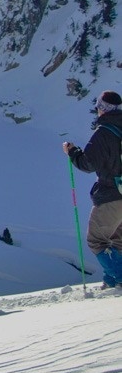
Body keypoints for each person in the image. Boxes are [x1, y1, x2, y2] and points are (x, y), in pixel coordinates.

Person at [62, 90, 122, 288]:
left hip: (111, 194)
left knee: (96, 240)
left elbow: (88, 164)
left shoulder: (104, 132)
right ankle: (112, 279)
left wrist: (72, 152)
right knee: (117, 238)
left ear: (102, 109)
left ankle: (119, 278)